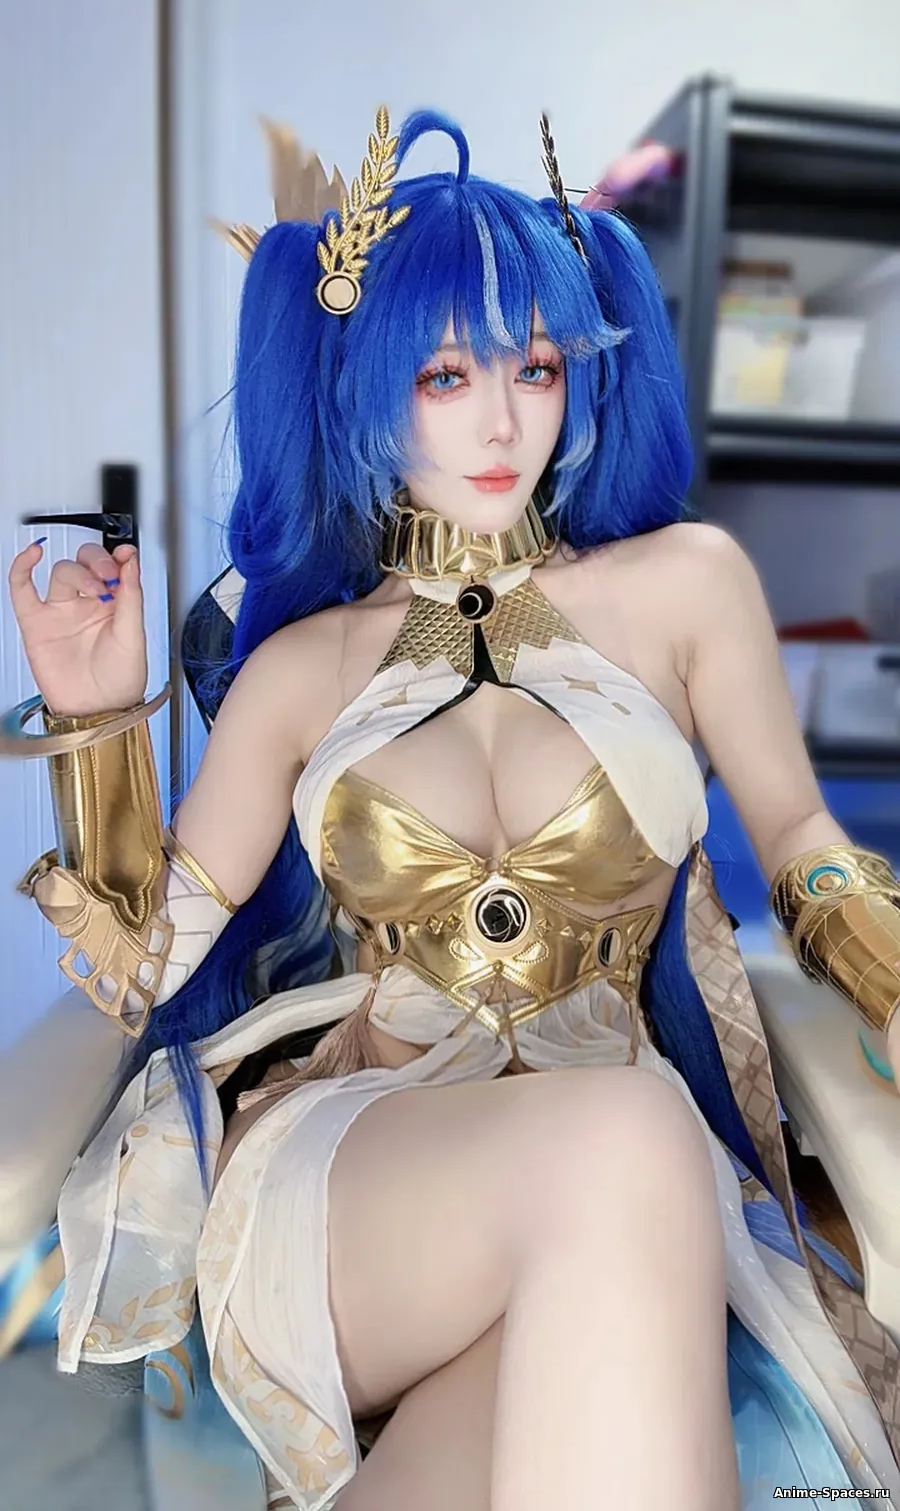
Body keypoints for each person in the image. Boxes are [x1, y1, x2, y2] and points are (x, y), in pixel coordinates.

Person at [5, 104, 900, 1511]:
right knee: (629, 1142)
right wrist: (96, 719)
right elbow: (147, 961)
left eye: (535, 365)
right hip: (362, 1182)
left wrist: (887, 976)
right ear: (366, 387)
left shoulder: (687, 587)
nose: (502, 419)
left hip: (614, 1192)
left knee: (578, 1274)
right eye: (444, 373)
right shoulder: (304, 668)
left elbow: (798, 834)